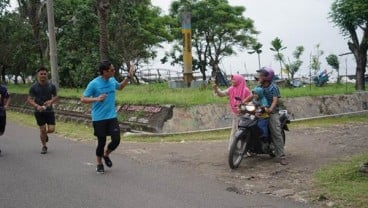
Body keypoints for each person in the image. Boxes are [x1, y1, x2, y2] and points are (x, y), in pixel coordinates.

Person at [81, 60, 134, 174]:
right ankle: (99, 163)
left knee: (116, 139)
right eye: (112, 70)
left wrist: (128, 77)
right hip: (99, 118)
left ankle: (106, 154)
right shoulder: (94, 84)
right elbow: (83, 99)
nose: (114, 71)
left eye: (114, 69)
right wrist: (96, 99)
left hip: (111, 116)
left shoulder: (112, 80)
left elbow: (120, 87)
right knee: (101, 142)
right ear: (104, 72)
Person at [244, 67, 288, 165]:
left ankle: (281, 155)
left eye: (261, 75)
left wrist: (270, 109)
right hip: (259, 109)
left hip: (271, 112)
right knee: (248, 122)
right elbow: (252, 96)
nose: (259, 77)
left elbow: (275, 100)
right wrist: (242, 103)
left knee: (276, 132)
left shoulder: (274, 87)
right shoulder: (259, 87)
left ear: (267, 77)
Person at [213, 74, 251, 150]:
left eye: (233, 79)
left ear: (239, 80)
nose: (232, 81)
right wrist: (216, 89)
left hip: (245, 114)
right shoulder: (231, 89)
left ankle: (246, 149)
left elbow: (251, 101)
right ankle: (232, 149)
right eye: (232, 79)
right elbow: (222, 94)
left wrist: (244, 106)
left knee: (245, 133)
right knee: (234, 131)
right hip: (236, 114)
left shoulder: (246, 90)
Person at [27, 67, 58, 154]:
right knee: (42, 129)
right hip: (39, 111)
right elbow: (29, 99)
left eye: (45, 74)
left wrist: (51, 101)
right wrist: (36, 106)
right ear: (38, 75)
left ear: (47, 75)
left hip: (49, 111)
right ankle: (44, 146)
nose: (43, 75)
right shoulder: (33, 87)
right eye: (41, 74)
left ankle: (45, 135)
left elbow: (56, 96)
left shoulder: (51, 86)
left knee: (51, 129)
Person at [0, 84, 11, 155]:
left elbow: (8, 97)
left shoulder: (3, 88)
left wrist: (6, 105)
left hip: (1, 111)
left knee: (1, 131)